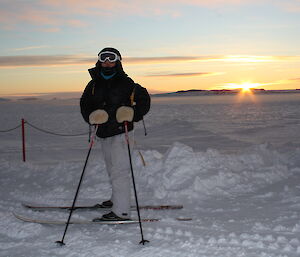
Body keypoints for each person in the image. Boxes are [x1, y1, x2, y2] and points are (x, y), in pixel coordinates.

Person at [80, 47, 151, 221]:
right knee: (112, 169)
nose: (107, 62)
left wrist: (132, 114)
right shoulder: (94, 84)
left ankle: (121, 211)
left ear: (118, 60)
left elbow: (144, 99)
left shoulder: (126, 83)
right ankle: (116, 200)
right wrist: (91, 117)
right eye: (103, 58)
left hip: (122, 133)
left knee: (120, 171)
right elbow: (85, 104)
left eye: (111, 58)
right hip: (103, 133)